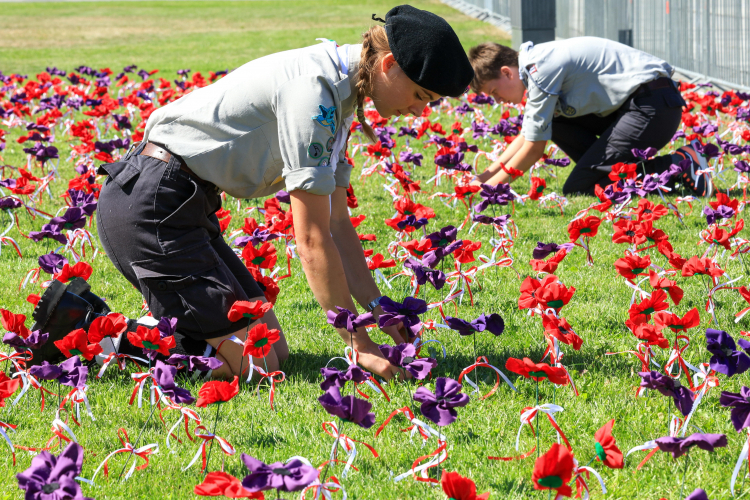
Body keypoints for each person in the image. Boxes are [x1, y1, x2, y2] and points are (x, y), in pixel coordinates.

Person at [29, 5, 474, 381]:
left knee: (272, 352)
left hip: (181, 202)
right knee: (252, 360)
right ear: (388, 64)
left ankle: (120, 325)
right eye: (420, 95)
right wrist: (359, 344)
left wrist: (378, 310)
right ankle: (86, 327)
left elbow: (340, 225)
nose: (419, 111)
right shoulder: (315, 95)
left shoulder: (341, 91)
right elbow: (313, 239)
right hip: (151, 205)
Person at [466, 37, 712, 197]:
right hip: (645, 104)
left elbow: (533, 149)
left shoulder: (540, 69)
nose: (498, 100)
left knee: (580, 187)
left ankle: (680, 164)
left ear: (507, 72)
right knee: (558, 124)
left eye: (494, 92)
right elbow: (528, 134)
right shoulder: (535, 62)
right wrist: (484, 177)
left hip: (652, 107)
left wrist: (490, 190)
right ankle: (657, 172)